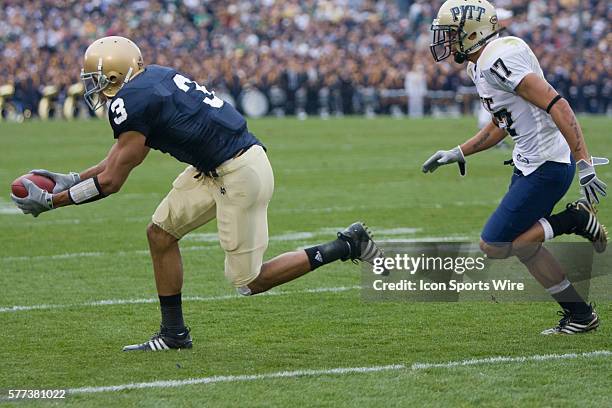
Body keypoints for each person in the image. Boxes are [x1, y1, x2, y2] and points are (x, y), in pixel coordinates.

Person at [11, 36, 384, 351]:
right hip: (215, 166)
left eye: (96, 79)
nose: (94, 87)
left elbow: (111, 182)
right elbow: (122, 158)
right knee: (160, 233)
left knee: (249, 282)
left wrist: (53, 201)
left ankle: (346, 245)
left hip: (239, 173)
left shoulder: (132, 101)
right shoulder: (151, 79)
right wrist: (72, 177)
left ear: (114, 75)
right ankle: (174, 334)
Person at [422, 0, 608, 334]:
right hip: (530, 162)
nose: (446, 42)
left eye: (451, 34)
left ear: (471, 32)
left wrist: (584, 161)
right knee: (525, 245)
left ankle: (576, 218)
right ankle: (580, 315)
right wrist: (460, 152)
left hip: (546, 165)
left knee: (493, 245)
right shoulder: (480, 64)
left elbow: (558, 105)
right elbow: (500, 123)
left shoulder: (496, 59)